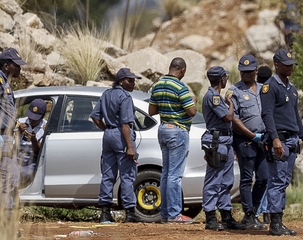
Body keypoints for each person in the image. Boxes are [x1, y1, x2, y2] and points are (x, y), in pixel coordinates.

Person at [261, 49, 303, 236]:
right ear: (276, 65)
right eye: (286, 64)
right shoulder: (269, 87)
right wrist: (275, 139)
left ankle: (279, 220)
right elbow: (266, 114)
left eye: (291, 64)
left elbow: (296, 117)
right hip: (279, 140)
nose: (290, 67)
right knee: (276, 181)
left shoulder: (292, 89)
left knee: (283, 181)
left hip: (292, 140)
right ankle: (274, 223)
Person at [149, 58, 197, 224]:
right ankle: (175, 213)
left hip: (163, 129)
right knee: (175, 175)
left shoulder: (158, 84)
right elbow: (191, 112)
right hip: (178, 131)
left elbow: (151, 110)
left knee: (166, 173)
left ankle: (165, 213)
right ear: (182, 70)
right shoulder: (180, 86)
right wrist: (194, 101)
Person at [91, 68, 141, 224]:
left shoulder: (106, 94)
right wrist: (130, 146)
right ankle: (130, 212)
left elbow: (95, 117)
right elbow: (126, 124)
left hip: (109, 136)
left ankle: (105, 213)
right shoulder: (125, 97)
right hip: (121, 135)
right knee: (127, 175)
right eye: (129, 80)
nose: (133, 83)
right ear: (121, 81)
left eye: (133, 80)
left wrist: (107, 130)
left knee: (108, 175)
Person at [201, 66, 245, 231]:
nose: (226, 79)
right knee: (213, 179)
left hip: (225, 140)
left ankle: (226, 216)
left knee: (226, 180)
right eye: (225, 77)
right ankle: (210, 216)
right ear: (221, 79)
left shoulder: (216, 96)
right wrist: (231, 104)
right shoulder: (214, 97)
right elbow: (227, 116)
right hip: (216, 141)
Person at [228, 54, 268, 230]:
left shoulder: (263, 89)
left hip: (263, 139)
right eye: (243, 72)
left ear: (256, 71)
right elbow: (234, 119)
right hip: (245, 141)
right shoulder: (234, 91)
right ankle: (249, 215)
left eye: (250, 72)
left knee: (264, 177)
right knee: (246, 178)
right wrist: (251, 135)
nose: (246, 75)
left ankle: (253, 211)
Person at [0, 48, 25, 213]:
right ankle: (7, 224)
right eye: (17, 65)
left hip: (7, 138)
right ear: (7, 66)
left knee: (11, 178)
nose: (20, 69)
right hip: (2, 138)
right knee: (7, 179)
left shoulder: (5, 83)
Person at [16, 98, 48, 186]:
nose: (31, 120)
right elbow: (10, 143)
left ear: (42, 116)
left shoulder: (45, 127)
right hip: (17, 157)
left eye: (35, 118)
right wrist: (18, 132)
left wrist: (34, 140)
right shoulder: (20, 122)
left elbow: (38, 152)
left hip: (31, 160)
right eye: (30, 116)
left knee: (25, 174)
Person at [255, 64, 273, 223]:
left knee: (255, 178)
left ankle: (254, 212)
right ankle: (266, 211)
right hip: (269, 136)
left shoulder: (254, 90)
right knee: (268, 177)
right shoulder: (270, 91)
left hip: (252, 136)